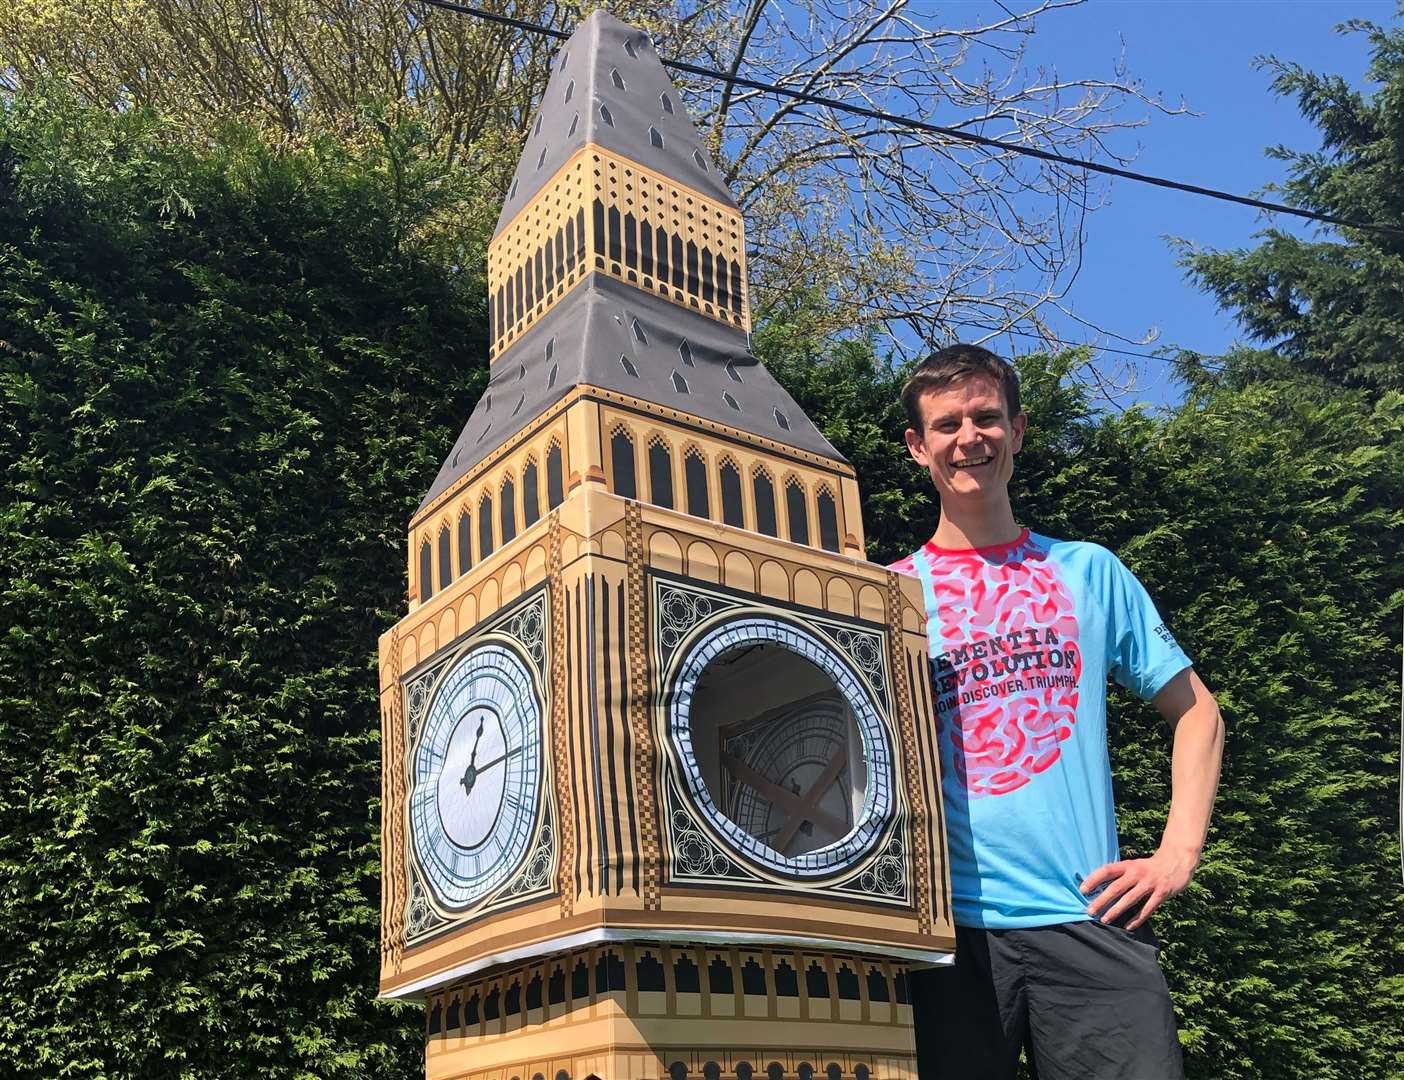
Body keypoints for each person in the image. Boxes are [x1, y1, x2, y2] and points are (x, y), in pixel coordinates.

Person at [890, 344, 1225, 1080]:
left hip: (1090, 920)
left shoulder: (1087, 571)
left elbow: (1197, 712)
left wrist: (1178, 855)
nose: (969, 437)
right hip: (944, 937)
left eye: (987, 417)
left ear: (1018, 430)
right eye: (947, 424)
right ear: (918, 447)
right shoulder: (883, 599)